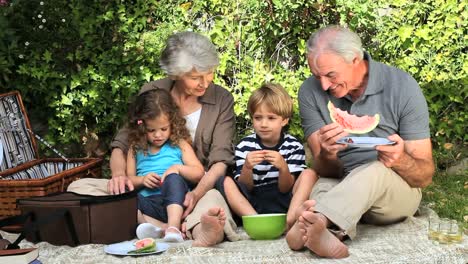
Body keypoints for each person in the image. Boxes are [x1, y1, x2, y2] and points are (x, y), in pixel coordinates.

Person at [286, 25, 435, 258]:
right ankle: (325, 231)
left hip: (391, 194)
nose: (324, 85)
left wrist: (400, 160)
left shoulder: (403, 86)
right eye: (317, 76)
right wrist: (326, 154)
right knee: (323, 183)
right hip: (341, 183)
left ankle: (315, 220)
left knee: (374, 170)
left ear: (355, 59)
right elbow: (325, 169)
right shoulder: (310, 91)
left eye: (330, 75)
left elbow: (424, 176)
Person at [108, 31, 239, 246]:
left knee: (213, 202)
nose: (204, 84)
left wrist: (195, 194)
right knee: (87, 187)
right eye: (195, 77)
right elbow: (122, 142)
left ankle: (198, 229)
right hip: (148, 192)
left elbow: (220, 161)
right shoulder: (152, 92)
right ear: (175, 74)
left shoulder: (221, 98)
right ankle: (167, 227)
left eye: (209, 74)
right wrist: (119, 175)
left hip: (196, 188)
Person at [215, 83, 317, 231]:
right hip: (253, 201)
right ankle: (255, 221)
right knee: (224, 181)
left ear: (284, 120)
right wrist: (247, 167)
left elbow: (286, 188)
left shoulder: (293, 146)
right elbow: (246, 187)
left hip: (284, 200)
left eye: (271, 118)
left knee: (309, 174)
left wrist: (283, 167)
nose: (263, 124)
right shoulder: (245, 145)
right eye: (258, 118)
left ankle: (290, 219)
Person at [125, 89, 204, 242]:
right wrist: (142, 180)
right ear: (141, 127)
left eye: (163, 129)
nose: (158, 135)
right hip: (149, 205)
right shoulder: (135, 149)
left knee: (173, 178)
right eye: (151, 130)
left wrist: (177, 169)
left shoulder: (179, 144)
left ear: (172, 124)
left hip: (176, 203)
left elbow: (199, 173)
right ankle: (160, 228)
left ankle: (173, 227)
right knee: (126, 199)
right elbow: (129, 179)